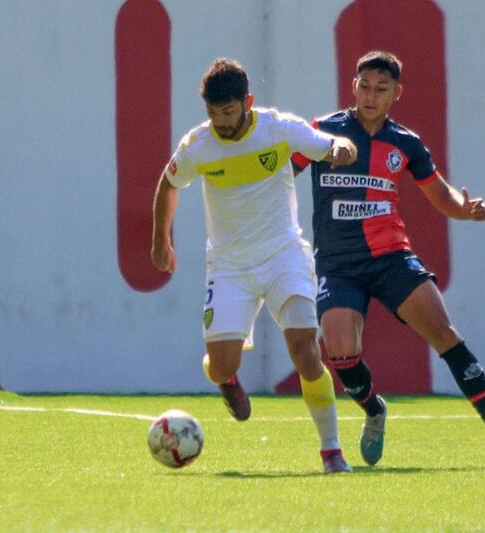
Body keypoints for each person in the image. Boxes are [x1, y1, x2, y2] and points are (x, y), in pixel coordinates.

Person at [292, 50, 485, 466]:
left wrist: (466, 210)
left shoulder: (405, 143)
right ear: (353, 86)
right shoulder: (321, 134)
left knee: (445, 333)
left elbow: (442, 196)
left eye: (381, 89)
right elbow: (279, 176)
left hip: (391, 258)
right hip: (338, 265)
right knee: (342, 353)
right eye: (364, 86)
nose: (370, 95)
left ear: (397, 94)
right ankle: (374, 410)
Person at [151, 58, 358, 473]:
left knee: (304, 351)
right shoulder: (199, 145)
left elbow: (335, 145)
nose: (220, 122)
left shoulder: (278, 128)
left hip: (284, 256)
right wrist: (161, 239)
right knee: (221, 364)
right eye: (212, 113)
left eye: (227, 112)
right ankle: (227, 380)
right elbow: (168, 184)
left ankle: (331, 450)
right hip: (229, 268)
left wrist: (340, 149)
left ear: (247, 102)